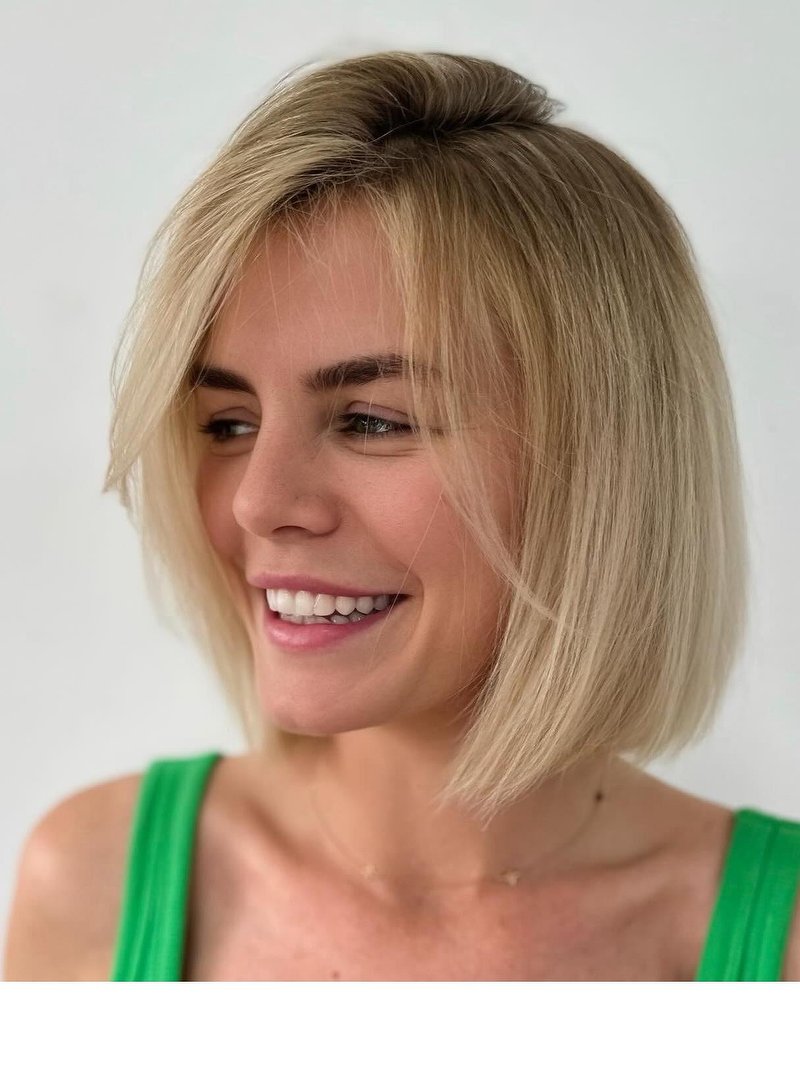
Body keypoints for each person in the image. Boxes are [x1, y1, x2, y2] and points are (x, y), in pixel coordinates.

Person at [4, 50, 799, 982]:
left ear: (603, 465)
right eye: (229, 423)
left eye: (372, 421)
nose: (258, 501)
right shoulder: (92, 887)